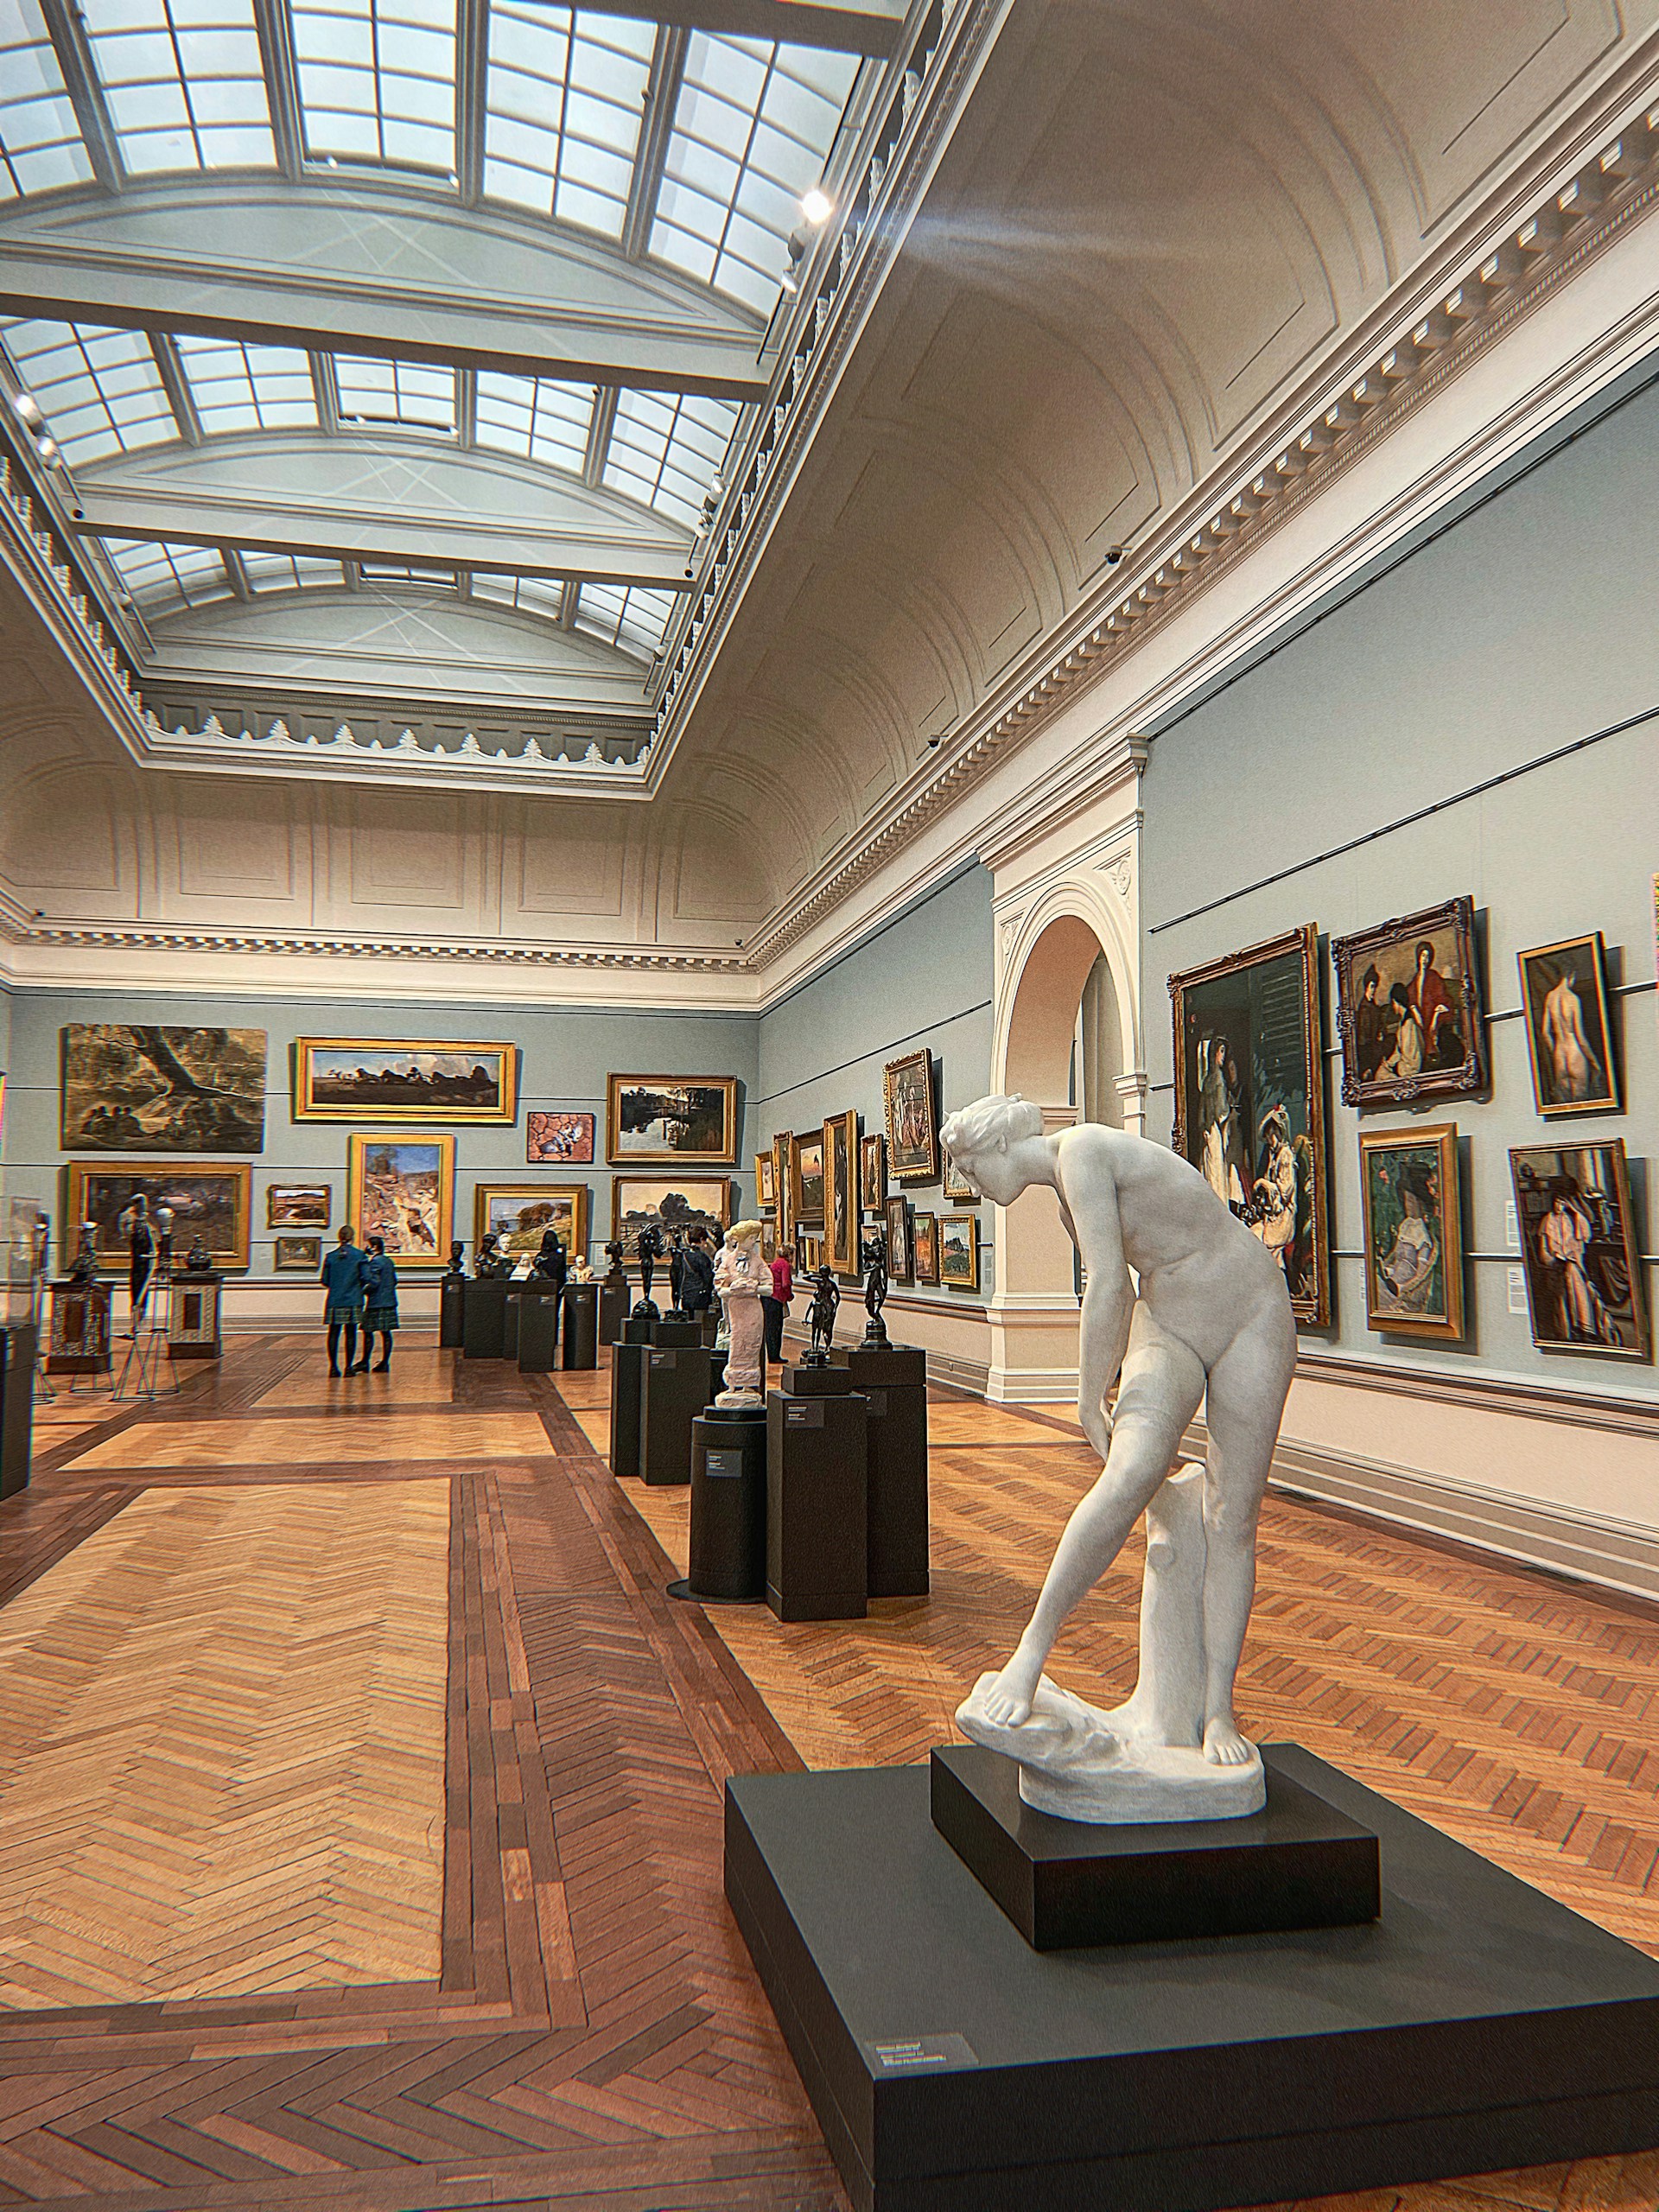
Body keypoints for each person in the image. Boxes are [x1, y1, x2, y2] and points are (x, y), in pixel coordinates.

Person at [938, 1093, 1296, 1768]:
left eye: (973, 1169)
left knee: (1230, 1517)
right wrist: (1098, 1389)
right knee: (1130, 1475)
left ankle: (1217, 1707)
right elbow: (1126, 1286)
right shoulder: (1068, 1189)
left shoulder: (1085, 1152)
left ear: (1002, 1146)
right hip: (1171, 1321)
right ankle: (1030, 1653)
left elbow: (1108, 1285)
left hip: (1252, 1315)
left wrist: (1084, 1397)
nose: (972, 1186)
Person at [1375, 1166, 1439, 1316]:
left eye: (1411, 1201)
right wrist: (1384, 1267)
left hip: (1404, 1288)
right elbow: (1395, 1256)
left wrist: (1402, 1288)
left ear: (1420, 1202)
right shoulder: (1406, 1225)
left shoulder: (1424, 1233)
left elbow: (1422, 1273)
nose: (1407, 1205)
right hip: (1392, 1276)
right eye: (1405, 1200)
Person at [1540, 962, 1605, 1104]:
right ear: (1571, 976)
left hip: (1559, 1055)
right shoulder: (1573, 999)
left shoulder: (1550, 997)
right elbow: (1580, 1037)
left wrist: (1554, 1050)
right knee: (1582, 1101)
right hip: (1575, 1053)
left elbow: (1545, 1032)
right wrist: (1594, 1062)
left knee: (1565, 1102)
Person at [320, 1224, 366, 1376]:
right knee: (351, 1334)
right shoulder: (359, 1255)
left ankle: (333, 1367)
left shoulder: (331, 1256)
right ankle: (348, 1367)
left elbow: (325, 1280)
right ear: (352, 1237)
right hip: (353, 1298)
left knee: (333, 1333)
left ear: (339, 1238)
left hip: (335, 1299)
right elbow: (365, 1277)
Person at [357, 1235, 399, 1373]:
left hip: (376, 1302)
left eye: (368, 1245)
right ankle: (385, 1362)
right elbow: (394, 1280)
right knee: (386, 1333)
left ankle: (365, 1361)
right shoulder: (388, 1261)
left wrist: (363, 1291)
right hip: (389, 1301)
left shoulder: (375, 1262)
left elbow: (374, 1282)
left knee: (368, 1332)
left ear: (374, 1247)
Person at [117, 1192, 154, 1337]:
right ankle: (135, 1324)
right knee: (137, 1291)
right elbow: (127, 1236)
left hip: (147, 1261)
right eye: (142, 1203)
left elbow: (154, 1238)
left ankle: (141, 1323)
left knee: (145, 1292)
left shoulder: (146, 1219)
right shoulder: (128, 1218)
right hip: (138, 1261)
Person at [1354, 964, 1387, 1084]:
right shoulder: (1364, 1009)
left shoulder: (1375, 1007)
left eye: (1375, 987)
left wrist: (1381, 1033)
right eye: (1372, 986)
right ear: (1366, 987)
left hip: (1375, 1046)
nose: (1373, 990)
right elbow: (1363, 1036)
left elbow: (1380, 1026)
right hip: (1367, 1050)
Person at [765, 1242, 793, 1363]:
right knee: (777, 1328)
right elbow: (785, 1283)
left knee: (770, 1329)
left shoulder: (775, 1263)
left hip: (768, 1297)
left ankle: (771, 1354)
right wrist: (789, 1296)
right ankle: (775, 1356)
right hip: (777, 1298)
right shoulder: (785, 1264)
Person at [679, 1224, 715, 1314]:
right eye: (704, 1241)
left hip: (686, 1295)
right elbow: (708, 1278)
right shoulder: (701, 1257)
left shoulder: (683, 1256)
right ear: (701, 1239)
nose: (705, 1245)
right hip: (700, 1297)